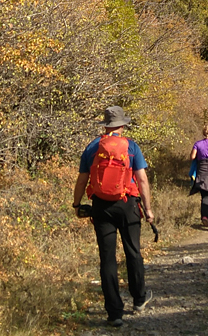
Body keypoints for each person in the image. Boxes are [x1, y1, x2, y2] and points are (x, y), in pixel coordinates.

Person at [73, 106, 154, 327]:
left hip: (101, 207)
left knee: (107, 257)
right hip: (127, 204)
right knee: (133, 251)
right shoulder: (132, 147)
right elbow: (142, 180)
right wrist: (148, 209)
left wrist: (77, 203)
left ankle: (114, 313)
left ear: (106, 125)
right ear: (122, 125)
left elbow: (82, 180)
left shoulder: (93, 147)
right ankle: (138, 299)